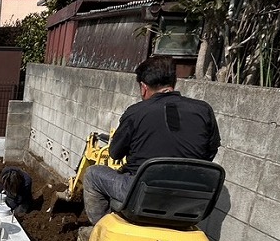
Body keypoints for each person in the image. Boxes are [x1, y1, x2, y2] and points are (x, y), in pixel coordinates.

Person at [82, 55, 220, 226]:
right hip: (190, 198)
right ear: (173, 83)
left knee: (93, 174)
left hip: (142, 195)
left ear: (143, 87)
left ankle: (101, 229)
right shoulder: (204, 110)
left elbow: (115, 153)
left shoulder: (136, 112)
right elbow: (211, 151)